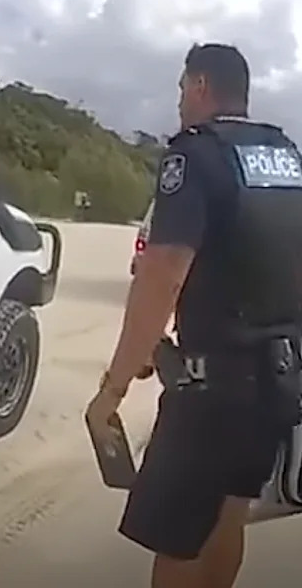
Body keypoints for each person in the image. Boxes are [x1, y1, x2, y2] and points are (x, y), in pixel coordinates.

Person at [86, 42, 302, 588]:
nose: (179, 100)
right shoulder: (285, 155)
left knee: (179, 542)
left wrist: (113, 389)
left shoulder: (195, 155)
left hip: (211, 394)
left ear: (201, 85)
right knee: (228, 517)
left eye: (182, 87)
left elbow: (161, 276)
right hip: (276, 383)